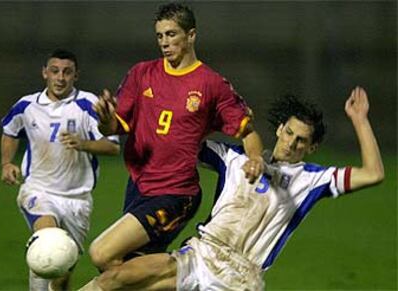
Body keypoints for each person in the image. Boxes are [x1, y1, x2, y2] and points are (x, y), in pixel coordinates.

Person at [78, 86, 384, 291]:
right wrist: (120, 120)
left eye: (301, 140)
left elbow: (373, 173)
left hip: (239, 279)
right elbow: (176, 141)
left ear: (312, 147)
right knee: (112, 279)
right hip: (198, 256)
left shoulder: (312, 180)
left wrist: (359, 120)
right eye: (289, 132)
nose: (291, 143)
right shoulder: (233, 157)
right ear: (279, 129)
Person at [89, 2, 264, 272]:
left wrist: (254, 158)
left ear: (191, 35)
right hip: (138, 185)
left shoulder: (211, 84)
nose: (164, 43)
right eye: (160, 36)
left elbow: (247, 131)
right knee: (125, 268)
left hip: (175, 193)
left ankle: (190, 267)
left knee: (103, 254)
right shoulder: (142, 74)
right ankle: (192, 280)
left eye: (171, 34)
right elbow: (114, 127)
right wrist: (104, 120)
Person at [0, 49, 120, 291]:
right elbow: (10, 131)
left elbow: (112, 147)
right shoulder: (27, 105)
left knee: (62, 270)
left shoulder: (88, 105)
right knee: (48, 243)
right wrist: (6, 163)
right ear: (45, 73)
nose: (60, 77)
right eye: (55, 71)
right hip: (39, 191)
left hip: (77, 200)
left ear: (76, 76)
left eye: (67, 72)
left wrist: (83, 143)